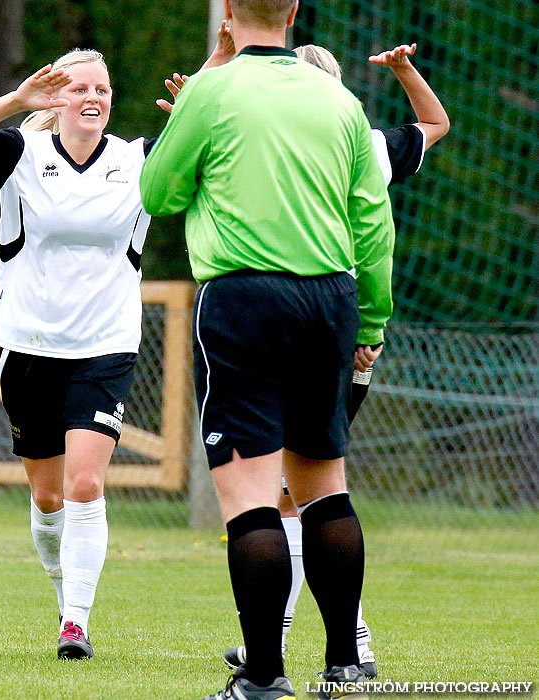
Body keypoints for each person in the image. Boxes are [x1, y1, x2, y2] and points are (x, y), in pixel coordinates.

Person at [141, 1, 396, 698]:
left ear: (226, 12)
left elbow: (157, 192)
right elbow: (371, 219)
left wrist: (197, 103)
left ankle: (262, 677)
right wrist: (370, 319)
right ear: (292, 10)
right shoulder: (337, 99)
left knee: (251, 497)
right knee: (324, 488)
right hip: (330, 301)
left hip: (245, 298)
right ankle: (345, 665)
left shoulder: (212, 91)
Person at [209, 41, 450, 680]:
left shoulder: (299, 144)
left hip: (282, 316)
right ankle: (324, 646)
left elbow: (376, 225)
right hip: (335, 319)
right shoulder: (361, 139)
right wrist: (402, 70)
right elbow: (432, 127)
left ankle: (319, 644)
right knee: (309, 491)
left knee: (289, 493)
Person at [0, 49, 153, 660]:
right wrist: (16, 101)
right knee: (49, 496)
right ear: (58, 97)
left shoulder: (137, 160)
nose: (93, 98)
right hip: (29, 346)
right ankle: (66, 592)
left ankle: (76, 622)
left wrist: (212, 72)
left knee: (86, 482)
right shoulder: (20, 154)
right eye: (80, 87)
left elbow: (201, 151)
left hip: (106, 346)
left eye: (103, 89)